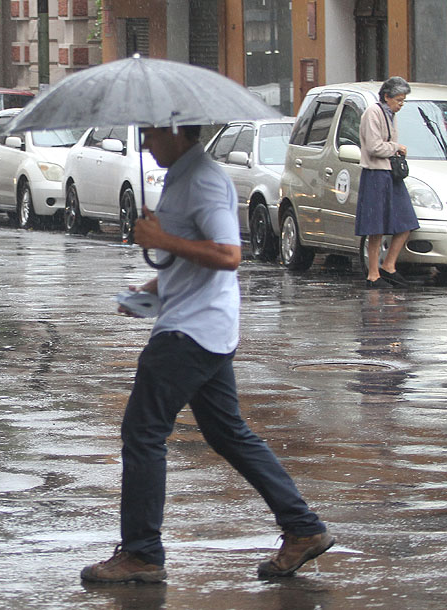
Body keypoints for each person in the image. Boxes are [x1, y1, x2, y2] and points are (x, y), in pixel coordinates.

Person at [80, 125, 333, 584]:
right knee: (228, 433)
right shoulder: (179, 176)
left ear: (178, 130)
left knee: (142, 433)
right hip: (200, 325)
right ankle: (303, 529)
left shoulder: (205, 180)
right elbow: (192, 263)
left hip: (190, 333)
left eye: (152, 134)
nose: (145, 144)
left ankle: (142, 553)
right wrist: (151, 289)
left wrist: (163, 241)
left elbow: (228, 254)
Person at [356, 76, 418, 289]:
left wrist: (393, 147)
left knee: (406, 221)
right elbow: (374, 147)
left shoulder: (391, 114)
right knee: (375, 227)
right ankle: (373, 275)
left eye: (403, 101)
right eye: (398, 100)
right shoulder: (373, 113)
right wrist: (396, 147)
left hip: (391, 173)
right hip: (375, 173)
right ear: (386, 97)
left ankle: (389, 266)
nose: (401, 104)